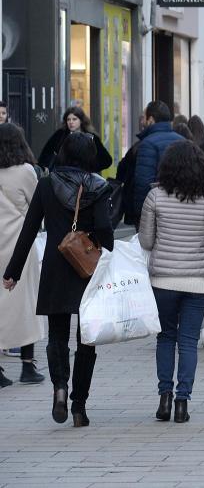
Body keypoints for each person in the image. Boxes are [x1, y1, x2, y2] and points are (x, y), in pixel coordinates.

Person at [3, 132, 115, 427]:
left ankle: (60, 388)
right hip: (87, 268)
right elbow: (105, 228)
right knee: (86, 339)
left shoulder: (46, 184)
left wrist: (12, 272)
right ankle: (79, 406)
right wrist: (105, 244)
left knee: (57, 336)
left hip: (55, 266)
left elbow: (28, 231)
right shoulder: (98, 187)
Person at [139, 140, 204, 423]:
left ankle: (163, 398)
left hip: (163, 278)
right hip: (200, 281)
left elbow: (146, 240)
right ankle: (182, 403)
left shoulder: (155, 197)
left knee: (166, 337)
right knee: (188, 341)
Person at [0, 123, 46, 385]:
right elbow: (35, 205)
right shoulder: (25, 171)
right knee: (25, 303)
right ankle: (27, 366)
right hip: (19, 244)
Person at [131, 101, 185, 221]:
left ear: (151, 119)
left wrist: (140, 214)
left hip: (156, 211)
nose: (142, 121)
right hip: (182, 208)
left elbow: (144, 183)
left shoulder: (147, 144)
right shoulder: (183, 141)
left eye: (144, 117)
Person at [38, 106, 113, 173]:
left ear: (81, 120)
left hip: (85, 178)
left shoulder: (91, 137)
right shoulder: (60, 135)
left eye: (74, 119)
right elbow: (45, 154)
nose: (71, 122)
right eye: (68, 119)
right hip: (63, 176)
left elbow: (106, 160)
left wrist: (90, 169)